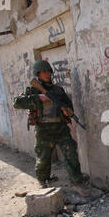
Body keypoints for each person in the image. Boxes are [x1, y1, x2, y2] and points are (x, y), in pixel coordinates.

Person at [13, 60, 89, 194]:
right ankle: (43, 182)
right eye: (44, 72)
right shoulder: (33, 89)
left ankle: (77, 183)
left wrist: (68, 111)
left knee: (70, 153)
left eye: (49, 71)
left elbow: (68, 105)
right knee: (43, 158)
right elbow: (17, 103)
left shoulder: (57, 90)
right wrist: (38, 98)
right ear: (38, 74)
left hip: (60, 128)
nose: (47, 74)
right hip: (43, 130)